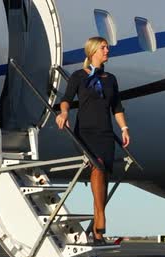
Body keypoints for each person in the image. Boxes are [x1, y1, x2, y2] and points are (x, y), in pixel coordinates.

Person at [56, 36, 130, 245]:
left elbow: (116, 107)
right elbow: (66, 99)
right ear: (93, 51)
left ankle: (98, 229)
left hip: (105, 133)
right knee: (96, 166)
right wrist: (63, 114)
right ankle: (100, 221)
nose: (108, 50)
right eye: (104, 48)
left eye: (107, 47)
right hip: (86, 132)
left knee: (103, 173)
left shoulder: (110, 79)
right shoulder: (78, 76)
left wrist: (124, 129)